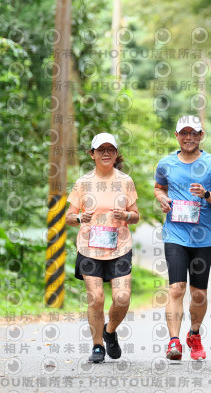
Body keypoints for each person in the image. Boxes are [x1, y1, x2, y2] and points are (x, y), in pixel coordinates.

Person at [154, 115, 211, 361]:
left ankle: (194, 334)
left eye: (194, 133)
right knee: (176, 288)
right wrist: (162, 199)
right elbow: (159, 187)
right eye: (184, 133)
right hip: (175, 234)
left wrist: (206, 194)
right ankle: (173, 342)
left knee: (198, 295)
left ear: (201, 135)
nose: (189, 137)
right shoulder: (165, 163)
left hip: (202, 238)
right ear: (176, 135)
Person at [65, 133, 140, 363]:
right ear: (92, 154)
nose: (106, 153)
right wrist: (80, 218)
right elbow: (69, 218)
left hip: (120, 247)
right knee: (96, 298)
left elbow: (136, 216)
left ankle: (109, 331)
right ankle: (97, 345)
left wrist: (126, 215)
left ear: (116, 154)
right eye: (101, 150)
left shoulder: (125, 181)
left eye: (110, 149)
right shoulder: (83, 183)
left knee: (122, 298)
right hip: (90, 248)